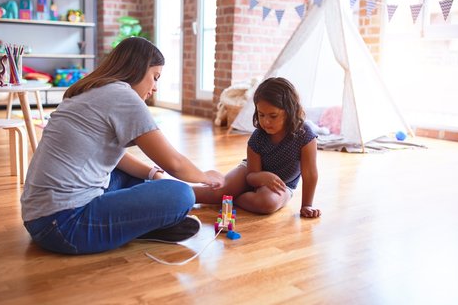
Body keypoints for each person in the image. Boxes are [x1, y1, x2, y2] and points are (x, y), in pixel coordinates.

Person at [21, 37, 224, 254]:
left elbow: (111, 156)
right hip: (65, 225)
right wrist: (206, 176)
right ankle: (143, 224)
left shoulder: (93, 90)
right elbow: (174, 163)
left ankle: (137, 224)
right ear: (137, 69)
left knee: (133, 176)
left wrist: (153, 173)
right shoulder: (122, 95)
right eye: (155, 77)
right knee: (182, 195)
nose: (155, 88)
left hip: (38, 217)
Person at [193, 77, 321, 218]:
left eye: (273, 116)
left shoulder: (305, 135)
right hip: (251, 173)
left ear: (290, 111)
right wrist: (262, 177)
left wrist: (307, 205)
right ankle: (178, 192)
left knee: (267, 203)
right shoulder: (258, 136)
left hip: (283, 185)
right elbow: (251, 176)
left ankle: (232, 197)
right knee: (219, 191)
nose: (266, 121)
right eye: (261, 114)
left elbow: (310, 175)